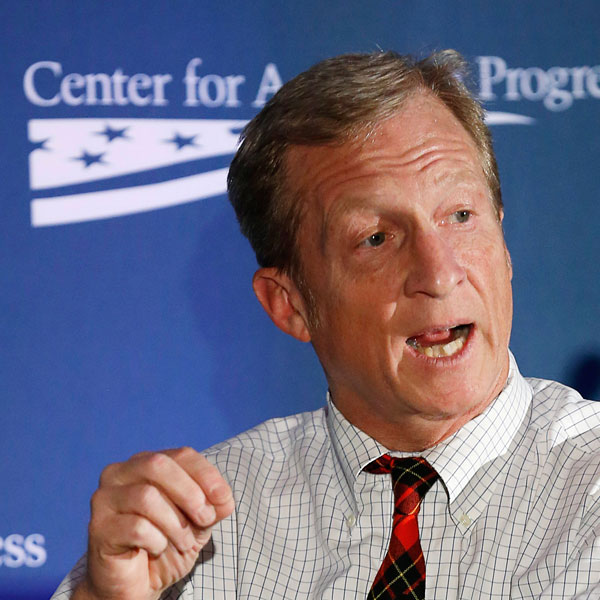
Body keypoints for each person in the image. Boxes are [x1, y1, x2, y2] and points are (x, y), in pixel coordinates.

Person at [52, 50, 600, 600]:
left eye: (460, 215)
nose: (439, 274)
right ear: (290, 304)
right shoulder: (199, 529)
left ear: (502, 244)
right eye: (376, 239)